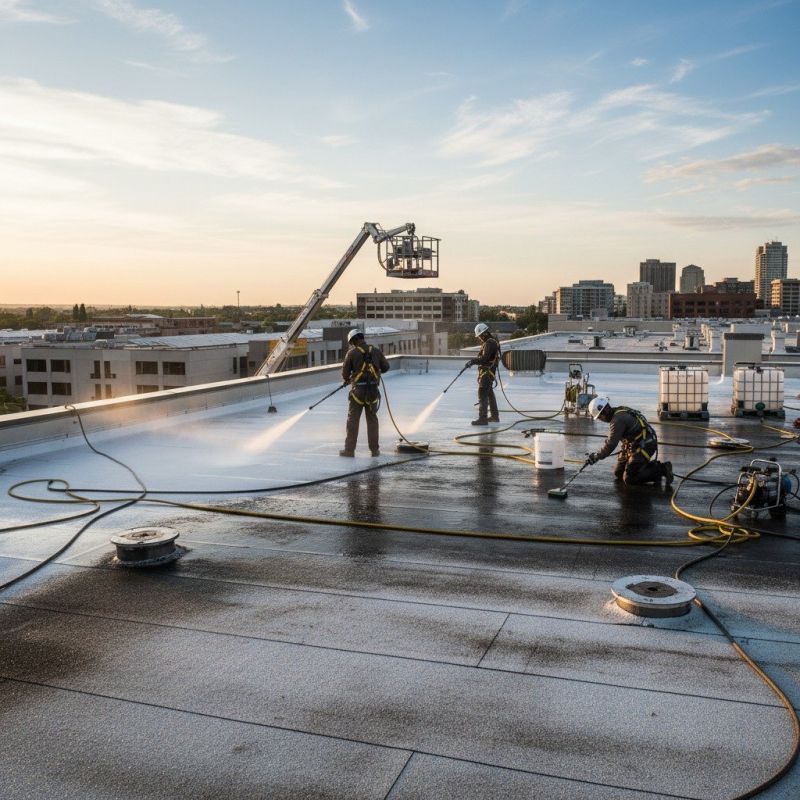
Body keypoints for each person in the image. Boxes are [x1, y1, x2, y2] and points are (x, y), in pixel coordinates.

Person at [585, 396, 673, 487]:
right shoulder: (619, 411)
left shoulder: (617, 420)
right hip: (636, 443)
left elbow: (611, 444)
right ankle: (645, 468)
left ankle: (661, 469)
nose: (601, 420)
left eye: (599, 418)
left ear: (603, 413)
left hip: (645, 445)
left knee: (629, 478)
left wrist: (596, 456)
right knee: (618, 472)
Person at [340, 329, 390, 457]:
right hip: (372, 392)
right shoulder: (376, 351)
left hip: (357, 392)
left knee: (353, 421)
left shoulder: (351, 353)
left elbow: (345, 374)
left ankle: (349, 450)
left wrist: (348, 379)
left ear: (353, 341)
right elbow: (386, 367)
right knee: (372, 420)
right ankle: (374, 450)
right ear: (362, 337)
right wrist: (376, 370)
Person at [465, 322, 501, 426]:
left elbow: (485, 359)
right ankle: (495, 416)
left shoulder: (490, 343)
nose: (480, 338)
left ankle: (482, 418)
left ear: (484, 333)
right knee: (489, 394)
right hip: (489, 372)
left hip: (487, 372)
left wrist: (472, 361)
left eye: (480, 336)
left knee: (482, 393)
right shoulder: (492, 341)